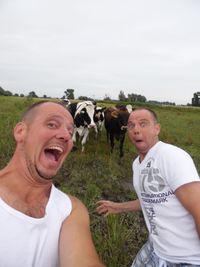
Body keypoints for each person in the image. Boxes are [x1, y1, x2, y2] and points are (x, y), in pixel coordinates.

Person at [0, 101, 105, 267]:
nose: (66, 135)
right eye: (52, 124)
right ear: (21, 131)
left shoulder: (72, 211)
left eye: (70, 131)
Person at [97, 107, 200, 267]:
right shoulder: (137, 164)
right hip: (155, 247)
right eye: (131, 125)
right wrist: (118, 207)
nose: (136, 130)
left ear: (156, 129)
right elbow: (151, 198)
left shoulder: (171, 156)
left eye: (143, 124)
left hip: (186, 259)